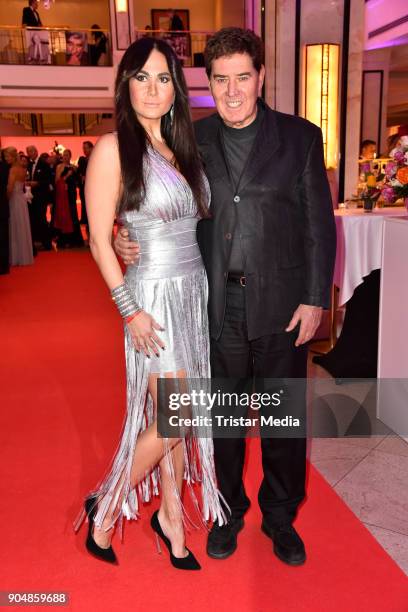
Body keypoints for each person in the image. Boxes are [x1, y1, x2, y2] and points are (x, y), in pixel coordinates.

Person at [115, 27, 337, 566]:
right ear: (208, 84)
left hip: (285, 306)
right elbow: (162, 208)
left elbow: (321, 228)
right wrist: (128, 237)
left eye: (243, 77)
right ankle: (229, 510)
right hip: (214, 304)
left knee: (283, 420)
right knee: (225, 422)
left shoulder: (301, 138)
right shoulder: (193, 140)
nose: (233, 91)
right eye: (221, 80)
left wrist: (315, 299)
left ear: (260, 76)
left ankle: (281, 517)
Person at [74, 37, 225, 568]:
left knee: (173, 412)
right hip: (152, 298)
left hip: (191, 291)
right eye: (142, 77)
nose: (153, 89)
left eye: (163, 78)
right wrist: (129, 310)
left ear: (176, 88)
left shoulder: (181, 148)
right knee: (178, 417)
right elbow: (97, 239)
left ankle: (171, 521)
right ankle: (107, 506)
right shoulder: (114, 148)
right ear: (125, 84)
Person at [4, 147, 34, 267]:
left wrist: (5, 199)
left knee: (15, 227)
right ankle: (24, 255)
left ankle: (16, 256)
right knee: (22, 227)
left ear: (12, 156)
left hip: (14, 200)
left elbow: (10, 188)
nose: (6, 159)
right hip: (21, 200)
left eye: (7, 156)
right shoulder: (22, 168)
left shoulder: (12, 170)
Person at [53, 149, 83, 248]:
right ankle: (63, 240)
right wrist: (65, 175)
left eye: (67, 155)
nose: (65, 157)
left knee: (73, 214)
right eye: (64, 155)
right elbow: (56, 180)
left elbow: (78, 181)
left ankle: (74, 240)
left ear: (70, 156)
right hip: (62, 194)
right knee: (64, 215)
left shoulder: (74, 167)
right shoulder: (59, 167)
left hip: (71, 193)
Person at [26, 145, 52, 251]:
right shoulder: (28, 165)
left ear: (36, 151)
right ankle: (35, 243)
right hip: (30, 197)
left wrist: (37, 183)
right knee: (33, 220)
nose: (29, 153)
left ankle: (47, 243)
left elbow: (48, 180)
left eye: (31, 151)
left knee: (42, 219)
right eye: (28, 152)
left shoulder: (44, 164)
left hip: (41, 197)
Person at [77, 141, 93, 225]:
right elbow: (79, 171)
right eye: (83, 148)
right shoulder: (82, 160)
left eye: (86, 148)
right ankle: (85, 219)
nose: (84, 150)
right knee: (84, 203)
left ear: (91, 148)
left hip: (94, 187)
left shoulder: (96, 158)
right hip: (83, 186)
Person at [0, 151, 10, 274]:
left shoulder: (4, 167)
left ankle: (3, 266)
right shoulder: (5, 167)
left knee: (2, 237)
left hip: (1, 206)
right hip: (3, 206)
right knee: (3, 237)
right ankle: (3, 266)